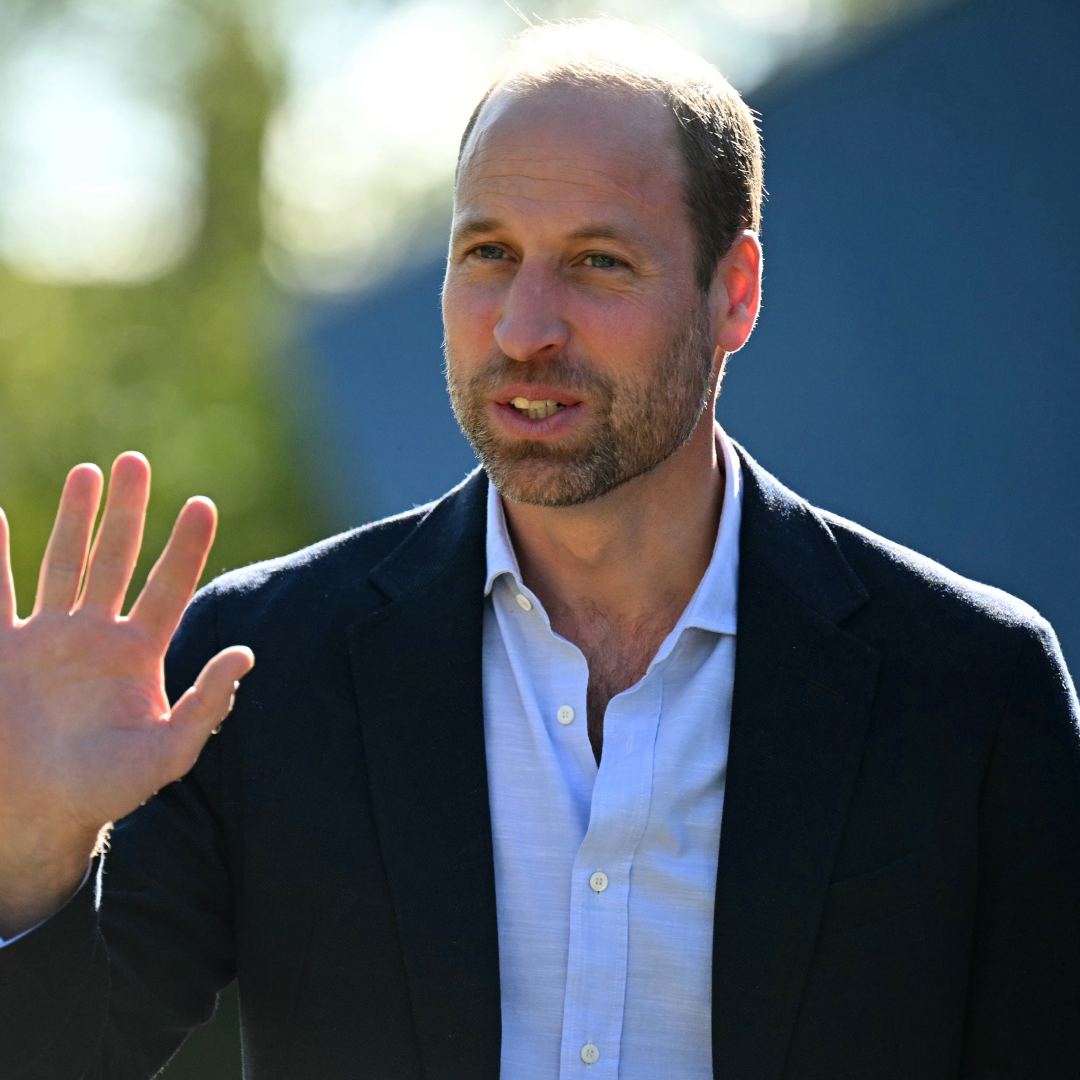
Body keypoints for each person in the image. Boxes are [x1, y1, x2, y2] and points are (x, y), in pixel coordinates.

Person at [1, 18, 1077, 1080]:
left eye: (597, 262)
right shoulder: (258, 665)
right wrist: (35, 846)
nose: (524, 327)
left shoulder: (971, 689)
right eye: (488, 254)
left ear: (733, 293)